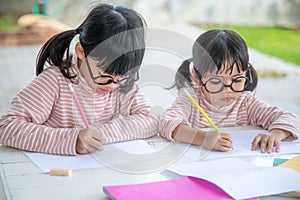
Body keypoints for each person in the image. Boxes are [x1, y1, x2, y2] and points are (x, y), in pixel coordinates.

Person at [0, 3, 159, 155]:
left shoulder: (122, 85)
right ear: (81, 51)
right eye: (106, 75)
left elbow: (152, 120)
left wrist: (98, 133)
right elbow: (7, 127)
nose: (113, 86)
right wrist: (70, 139)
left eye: (124, 76)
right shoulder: (55, 82)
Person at [160, 29, 299, 153]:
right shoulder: (190, 99)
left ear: (246, 74)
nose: (227, 90)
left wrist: (276, 134)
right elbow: (166, 123)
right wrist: (203, 138)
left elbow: (291, 118)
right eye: (215, 81)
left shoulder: (246, 103)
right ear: (197, 77)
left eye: (237, 80)